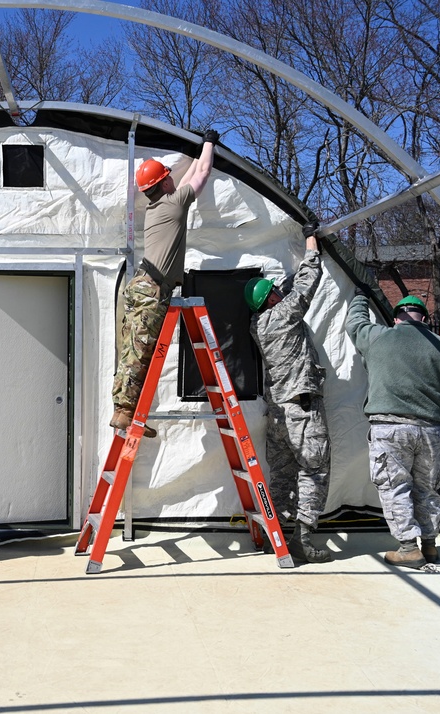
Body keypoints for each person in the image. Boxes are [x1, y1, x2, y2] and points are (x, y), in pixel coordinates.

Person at [346, 294, 440, 568]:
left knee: (395, 487)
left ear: (395, 318)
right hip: (431, 429)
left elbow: (354, 324)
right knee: (428, 488)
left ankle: (407, 547)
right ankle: (429, 545)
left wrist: (360, 298)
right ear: (424, 319)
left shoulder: (378, 336)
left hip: (390, 428)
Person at [110, 130, 218, 437]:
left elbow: (191, 177)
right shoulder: (175, 204)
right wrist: (209, 142)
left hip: (142, 284)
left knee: (131, 349)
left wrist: (199, 150)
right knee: (138, 353)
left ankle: (125, 412)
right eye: (170, 176)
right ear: (165, 182)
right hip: (152, 289)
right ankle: (124, 413)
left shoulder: (160, 208)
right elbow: (203, 172)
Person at [244, 223, 331, 563]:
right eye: (276, 291)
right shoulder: (283, 315)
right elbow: (307, 285)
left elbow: (287, 294)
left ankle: (276, 535)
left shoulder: (257, 324)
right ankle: (303, 540)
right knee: (314, 468)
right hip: (301, 407)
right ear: (272, 299)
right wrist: (312, 244)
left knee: (282, 474)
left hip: (278, 412)